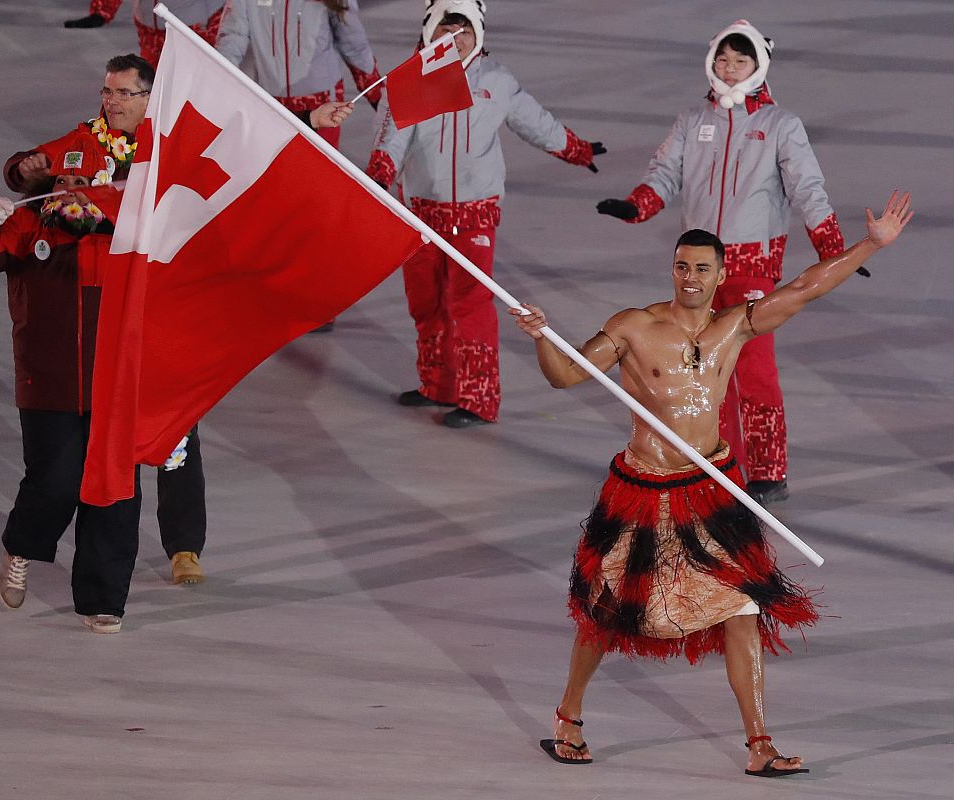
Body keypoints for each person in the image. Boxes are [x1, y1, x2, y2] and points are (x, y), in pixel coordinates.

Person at [511, 191, 912, 775]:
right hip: (642, 490)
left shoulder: (735, 329)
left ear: (722, 275)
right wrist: (543, 338)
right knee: (607, 608)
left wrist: (868, 247)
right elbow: (565, 376)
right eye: (681, 266)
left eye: (702, 269)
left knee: (742, 606)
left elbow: (806, 287)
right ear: (670, 269)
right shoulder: (633, 327)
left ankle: (759, 746)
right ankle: (568, 715)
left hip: (710, 490)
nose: (690, 277)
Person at [0, 54, 353, 585]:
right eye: (106, 91)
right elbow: (32, 166)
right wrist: (23, 166)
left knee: (177, 428)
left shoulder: (174, 141)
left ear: (149, 98)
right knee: (103, 445)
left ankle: (184, 545)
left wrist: (309, 122)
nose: (109, 102)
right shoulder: (87, 139)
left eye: (122, 94)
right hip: (107, 311)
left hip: (167, 302)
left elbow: (244, 139)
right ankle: (65, 555)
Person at [596, 20, 850, 506]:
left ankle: (768, 470)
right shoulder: (693, 120)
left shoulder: (781, 125)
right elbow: (664, 172)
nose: (730, 70)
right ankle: (718, 463)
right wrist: (638, 205)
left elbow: (807, 189)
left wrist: (831, 249)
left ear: (759, 66)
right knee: (703, 366)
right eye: (723, 60)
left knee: (753, 367)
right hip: (699, 266)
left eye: (742, 61)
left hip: (753, 263)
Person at [367, 0, 605, 428]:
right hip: (422, 210)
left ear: (479, 36)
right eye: (446, 31)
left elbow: (535, 121)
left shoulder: (495, 80)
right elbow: (392, 136)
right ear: (429, 31)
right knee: (426, 301)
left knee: (470, 303)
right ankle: (437, 385)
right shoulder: (410, 80)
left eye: (464, 33)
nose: (454, 41)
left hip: (476, 211)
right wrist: (379, 174)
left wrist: (576, 149)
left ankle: (478, 399)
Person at [0, 140, 146, 633]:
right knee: (53, 483)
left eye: (82, 185)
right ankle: (21, 547)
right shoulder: (28, 227)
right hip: (46, 381)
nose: (69, 193)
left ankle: (104, 600)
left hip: (116, 384)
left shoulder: (124, 235)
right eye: (62, 184)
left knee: (114, 492)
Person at [215, 0, 381, 149]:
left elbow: (354, 44)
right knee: (275, 171)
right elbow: (232, 39)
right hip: (271, 102)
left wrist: (378, 96)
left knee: (316, 174)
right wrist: (216, 80)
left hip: (322, 104)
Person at [63, 1, 227, 66]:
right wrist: (102, 11)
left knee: (192, 93)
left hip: (193, 26)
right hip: (149, 25)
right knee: (150, 90)